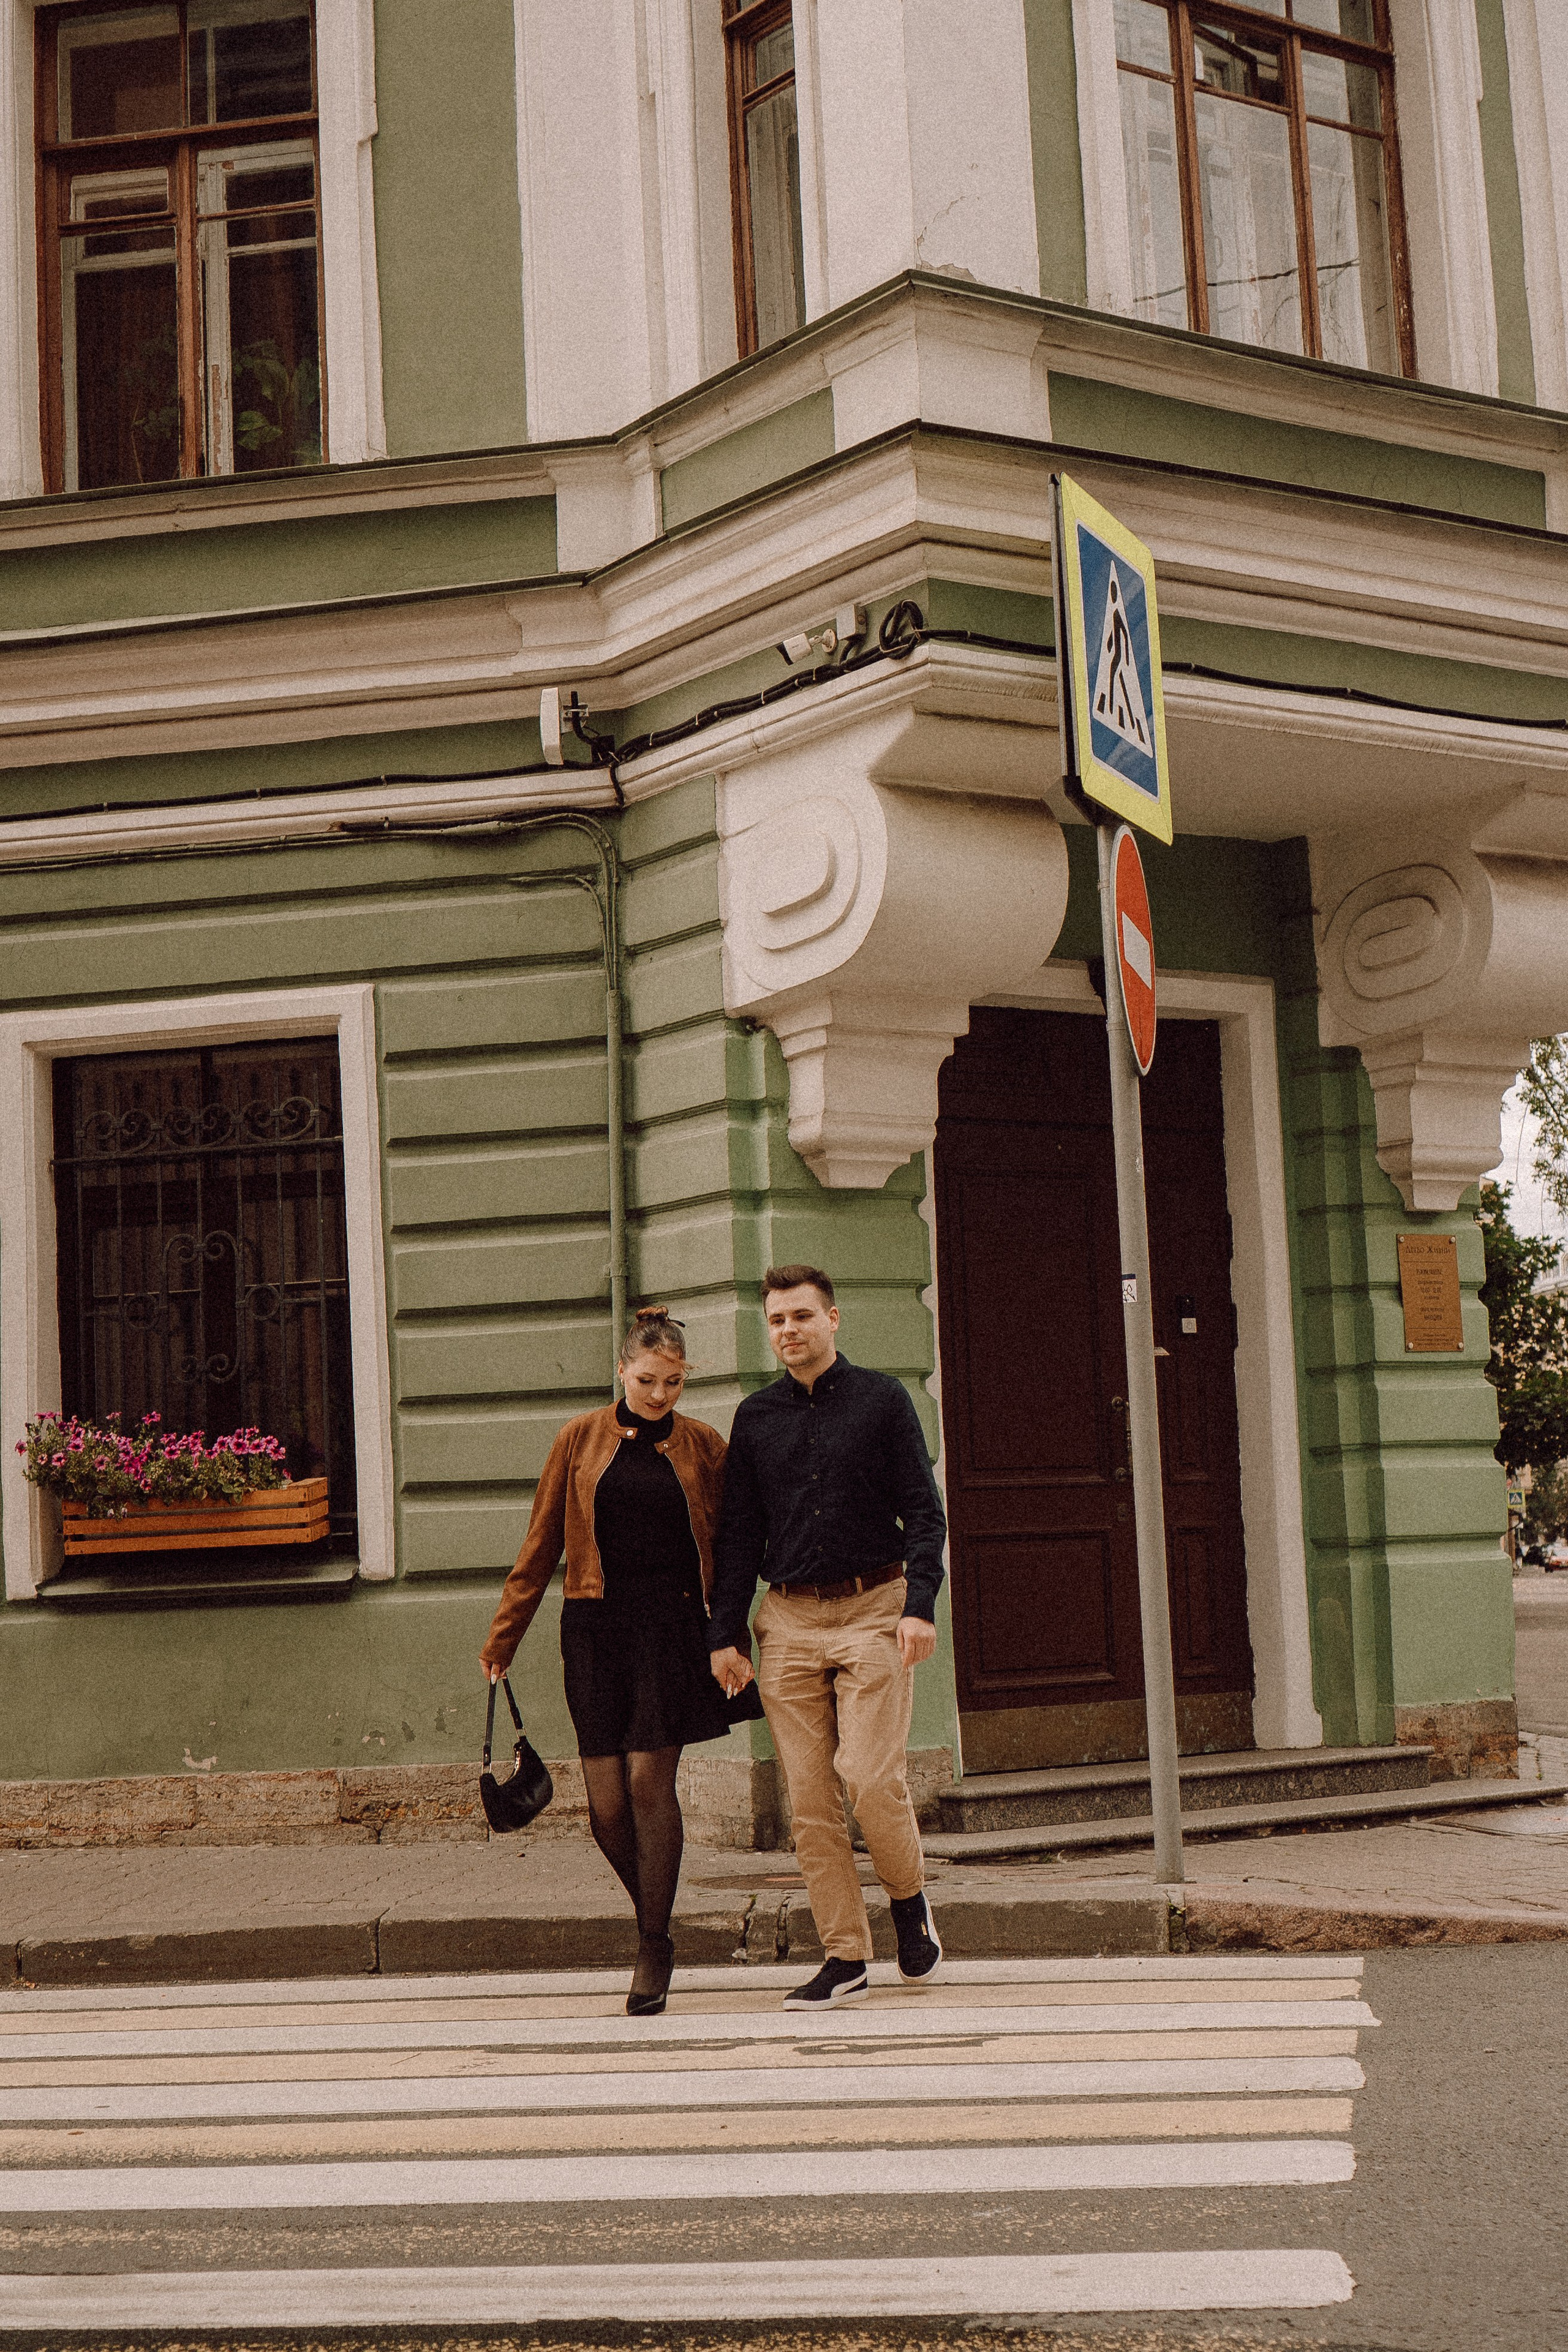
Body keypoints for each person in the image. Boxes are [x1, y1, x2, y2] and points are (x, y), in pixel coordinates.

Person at [708, 1264, 948, 2009]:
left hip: (875, 1608)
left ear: (833, 1320)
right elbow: (739, 1532)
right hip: (788, 1621)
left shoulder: (881, 1400)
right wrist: (726, 1635)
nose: (788, 1331)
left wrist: (920, 1606)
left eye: (802, 1317)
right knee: (810, 1801)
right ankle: (845, 1955)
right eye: (777, 1320)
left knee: (871, 1778)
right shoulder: (755, 1418)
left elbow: (923, 1509)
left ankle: (908, 1901)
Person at [480, 1306, 729, 2016]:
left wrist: (728, 1630)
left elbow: (735, 1541)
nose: (659, 1395)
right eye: (648, 1380)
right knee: (606, 1808)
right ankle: (658, 1918)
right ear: (621, 1371)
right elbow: (539, 1548)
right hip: (592, 1628)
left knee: (651, 1784)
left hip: (672, 1627)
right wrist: (503, 1639)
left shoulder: (703, 1445)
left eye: (673, 1383)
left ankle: (652, 1945)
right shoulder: (578, 1439)